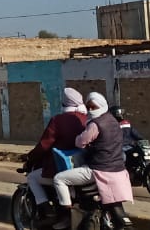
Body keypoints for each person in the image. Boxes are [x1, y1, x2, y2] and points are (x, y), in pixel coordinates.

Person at [52, 92, 133, 229]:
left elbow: (80, 142)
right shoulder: (113, 121)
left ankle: (67, 213)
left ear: (101, 106)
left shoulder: (95, 124)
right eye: (88, 107)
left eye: (93, 107)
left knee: (59, 179)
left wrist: (80, 139)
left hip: (98, 169)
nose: (90, 110)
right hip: (118, 169)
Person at [23, 88, 87, 223]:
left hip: (61, 168)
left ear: (64, 103)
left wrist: (30, 158)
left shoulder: (58, 120)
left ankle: (47, 212)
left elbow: (44, 145)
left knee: (32, 178)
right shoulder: (87, 119)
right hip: (85, 168)